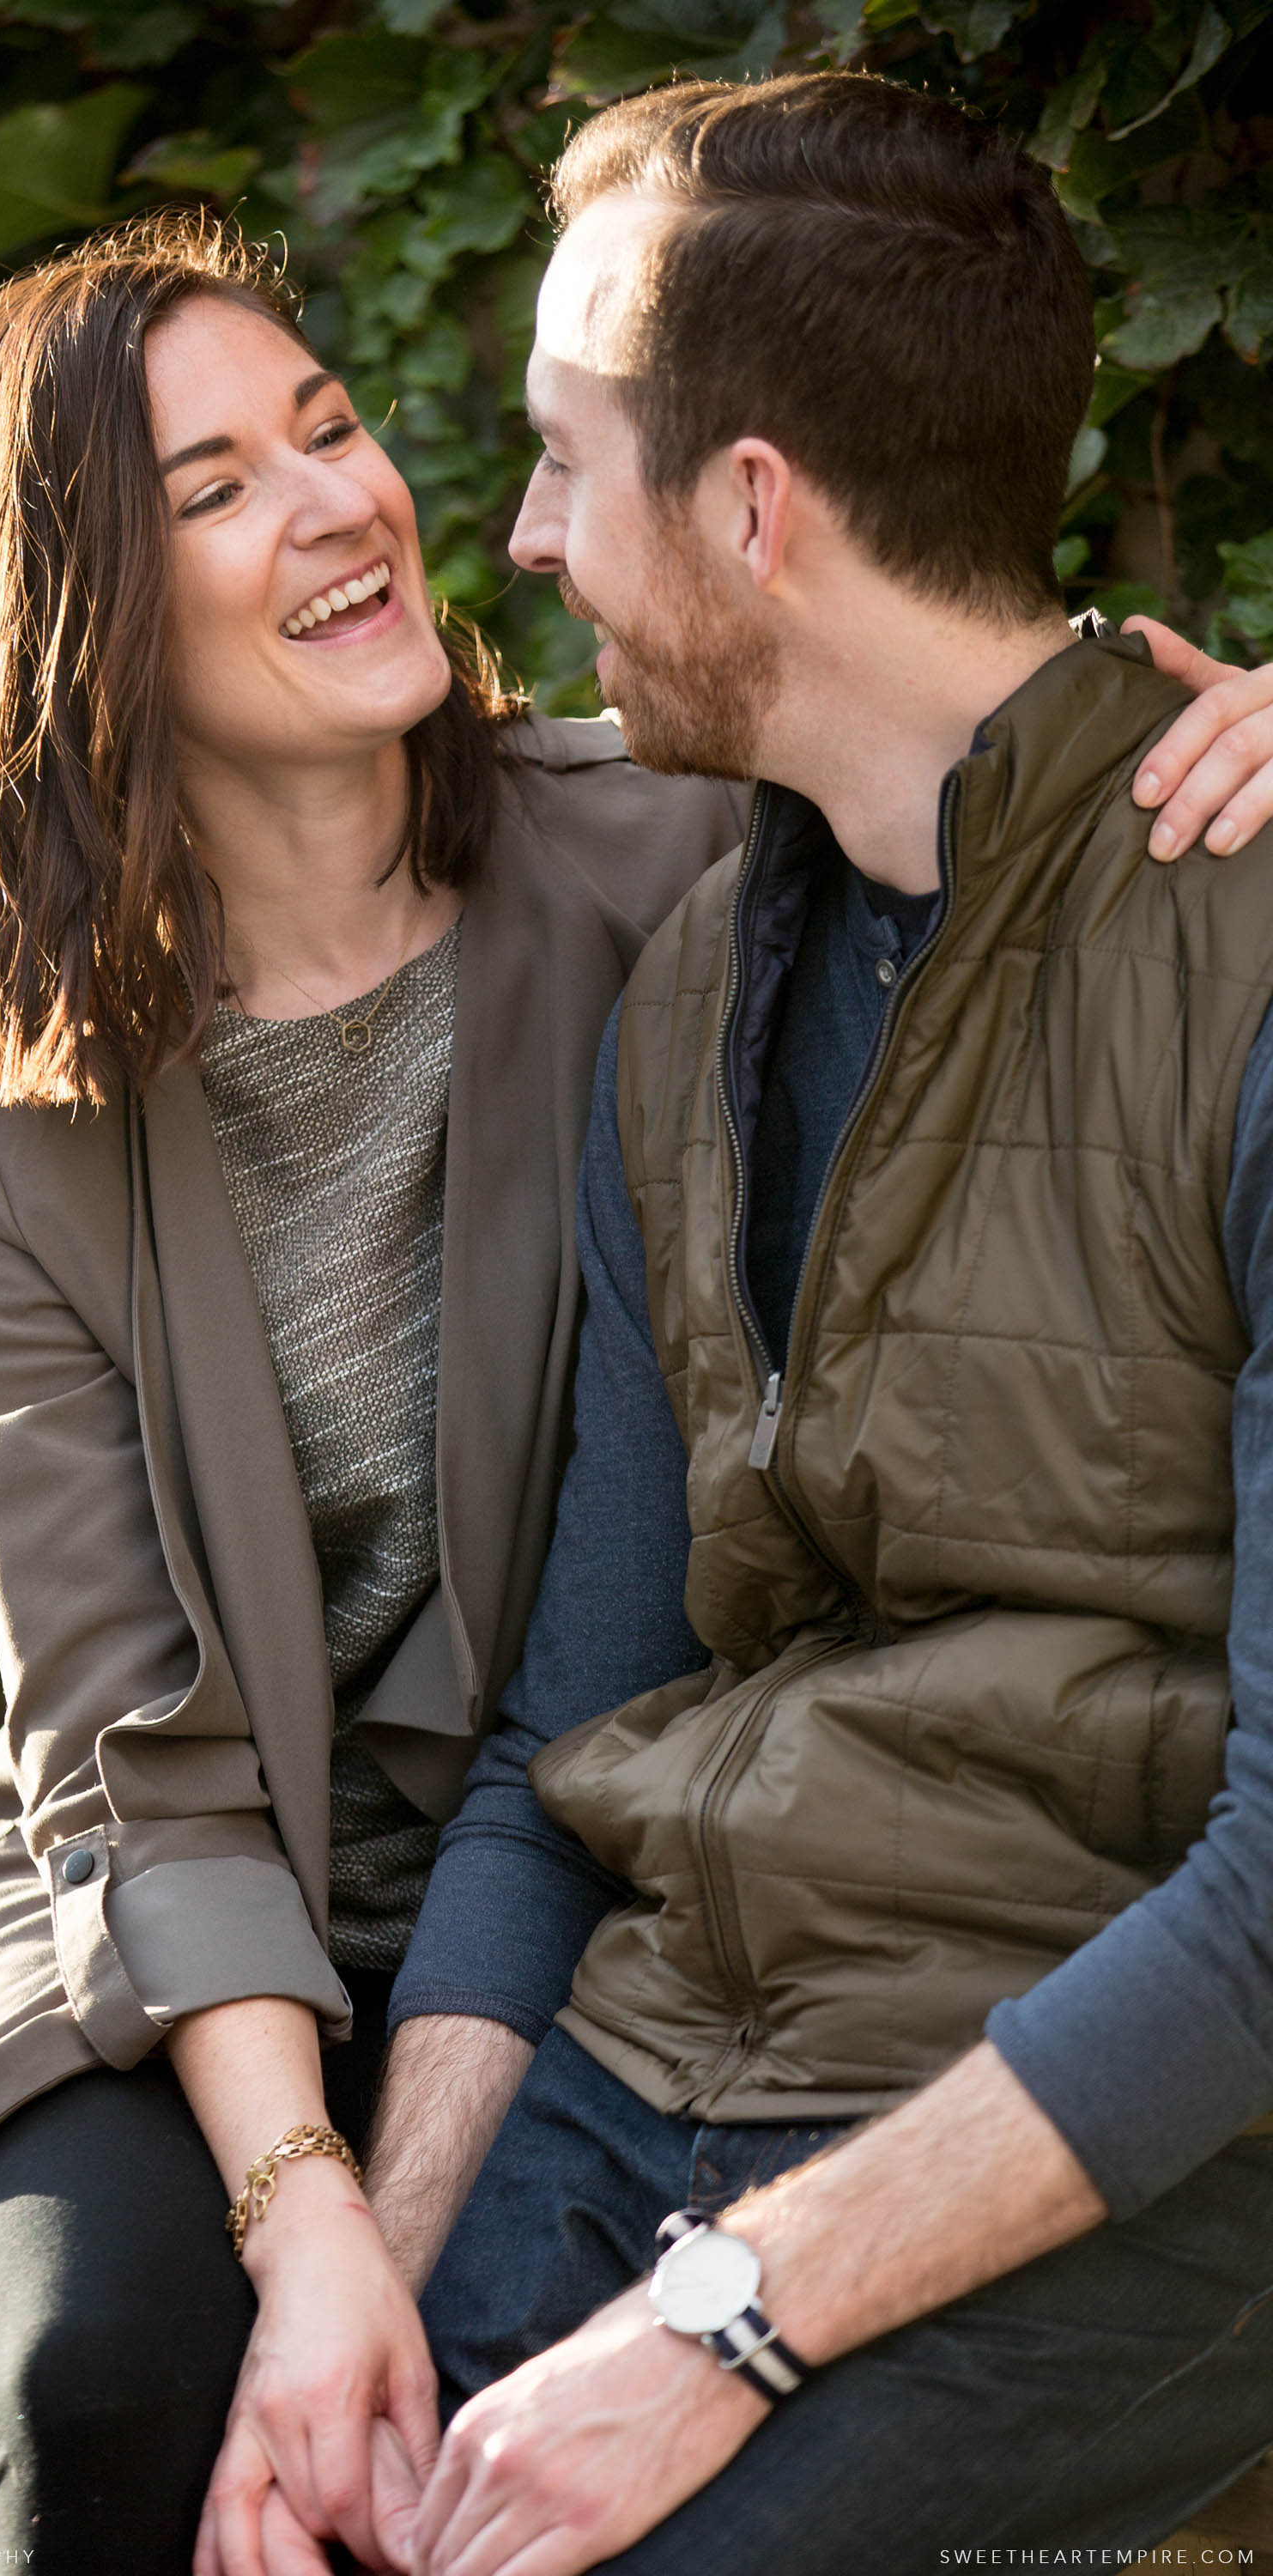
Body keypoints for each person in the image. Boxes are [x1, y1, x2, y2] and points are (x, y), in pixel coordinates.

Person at [0, 200, 1271, 2576]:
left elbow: (979, 741)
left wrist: (1227, 709)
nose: (349, 500)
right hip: (188, 1903)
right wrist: (314, 2226)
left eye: (329, 424)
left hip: (575, 1874)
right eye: (212, 488)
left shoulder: (686, 859)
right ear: (68, 615)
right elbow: (135, 1749)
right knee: (116, 2413)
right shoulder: (15, 1121)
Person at [352, 71, 1273, 2576]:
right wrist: (369, 2292)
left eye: (563, 463)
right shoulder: (689, 990)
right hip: (663, 2060)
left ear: (754, 507)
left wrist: (726, 2322)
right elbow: (577, 1727)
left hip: (1130, 2131)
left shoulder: (1250, 946)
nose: (521, 539)